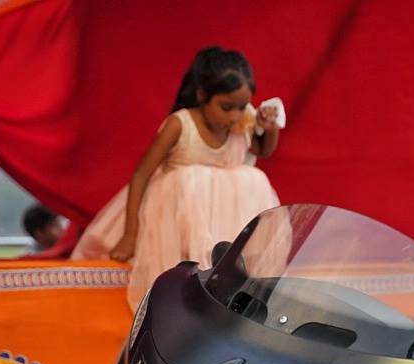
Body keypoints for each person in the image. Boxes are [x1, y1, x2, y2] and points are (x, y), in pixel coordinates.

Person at [74, 46, 282, 305]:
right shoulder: (180, 124)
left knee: (253, 179)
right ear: (202, 94)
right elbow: (141, 175)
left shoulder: (243, 121)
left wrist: (269, 127)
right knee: (184, 268)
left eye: (241, 107)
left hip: (225, 216)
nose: (234, 116)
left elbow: (263, 150)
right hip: (177, 215)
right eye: (226, 107)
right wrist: (130, 235)